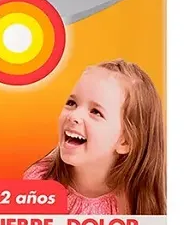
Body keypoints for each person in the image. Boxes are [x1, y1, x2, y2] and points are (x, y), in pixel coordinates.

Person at [23, 59, 166, 215]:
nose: (74, 116)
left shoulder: (137, 204)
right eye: (72, 103)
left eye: (96, 112)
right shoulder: (39, 185)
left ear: (125, 142)